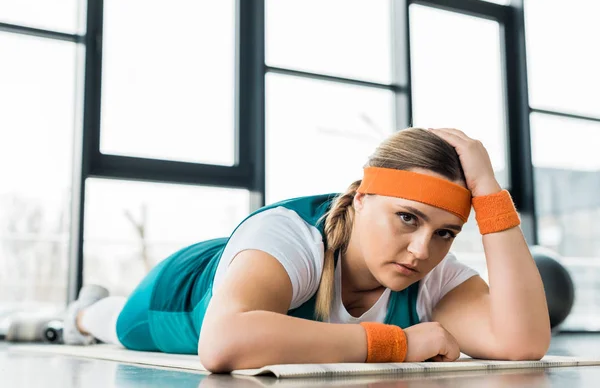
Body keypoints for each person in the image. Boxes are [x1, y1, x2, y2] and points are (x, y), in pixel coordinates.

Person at [62, 127, 551, 372]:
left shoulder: (432, 271)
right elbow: (224, 344)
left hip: (254, 266)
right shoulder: (291, 234)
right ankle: (83, 311)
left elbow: (521, 343)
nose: (423, 249)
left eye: (446, 232)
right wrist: (398, 344)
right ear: (362, 199)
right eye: (407, 218)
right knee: (116, 323)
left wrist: (490, 194)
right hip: (184, 289)